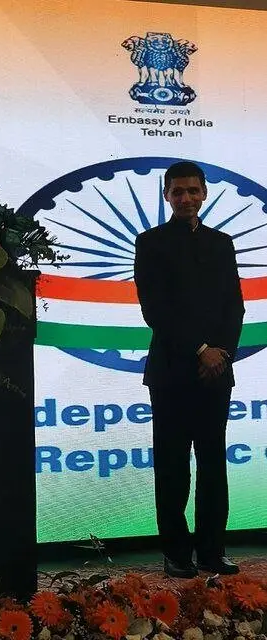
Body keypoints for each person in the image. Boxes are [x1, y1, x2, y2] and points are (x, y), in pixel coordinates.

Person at [134, 161, 245, 578]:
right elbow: (156, 310)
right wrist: (201, 350)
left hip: (217, 371)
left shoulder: (222, 243)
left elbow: (234, 305)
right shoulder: (151, 243)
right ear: (166, 196)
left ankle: (212, 551)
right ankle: (177, 553)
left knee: (213, 463)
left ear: (204, 194)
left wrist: (222, 353)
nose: (186, 198)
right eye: (177, 191)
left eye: (193, 191)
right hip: (172, 372)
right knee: (173, 465)